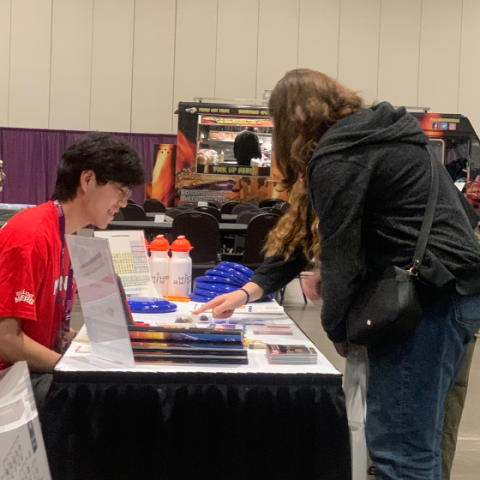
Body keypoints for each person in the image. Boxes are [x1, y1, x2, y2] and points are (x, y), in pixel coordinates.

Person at [193, 69, 480, 480]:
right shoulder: (381, 140)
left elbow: (340, 253)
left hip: (425, 303)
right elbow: (307, 238)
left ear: (292, 123)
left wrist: (340, 330)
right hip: (458, 295)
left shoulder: (339, 155)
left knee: (400, 451)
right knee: (421, 442)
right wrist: (249, 290)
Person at [0, 132, 145, 374]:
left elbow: (43, 328)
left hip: (32, 372)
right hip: (11, 384)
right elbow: (6, 341)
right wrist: (73, 368)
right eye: (121, 191)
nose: (122, 204)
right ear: (87, 180)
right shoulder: (31, 235)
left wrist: (79, 343)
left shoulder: (68, 234)